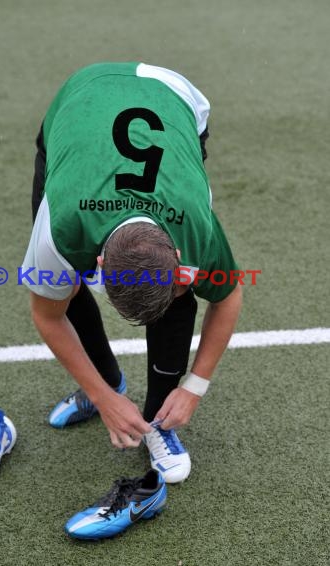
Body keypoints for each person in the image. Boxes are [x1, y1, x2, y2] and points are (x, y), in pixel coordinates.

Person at [21, 62, 242, 484]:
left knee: (173, 296)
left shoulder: (196, 225)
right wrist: (102, 396)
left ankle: (159, 420)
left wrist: (194, 387)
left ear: (180, 255)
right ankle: (108, 380)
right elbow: (49, 313)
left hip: (174, 95)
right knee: (59, 287)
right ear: (98, 266)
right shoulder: (61, 229)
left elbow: (227, 296)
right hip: (80, 99)